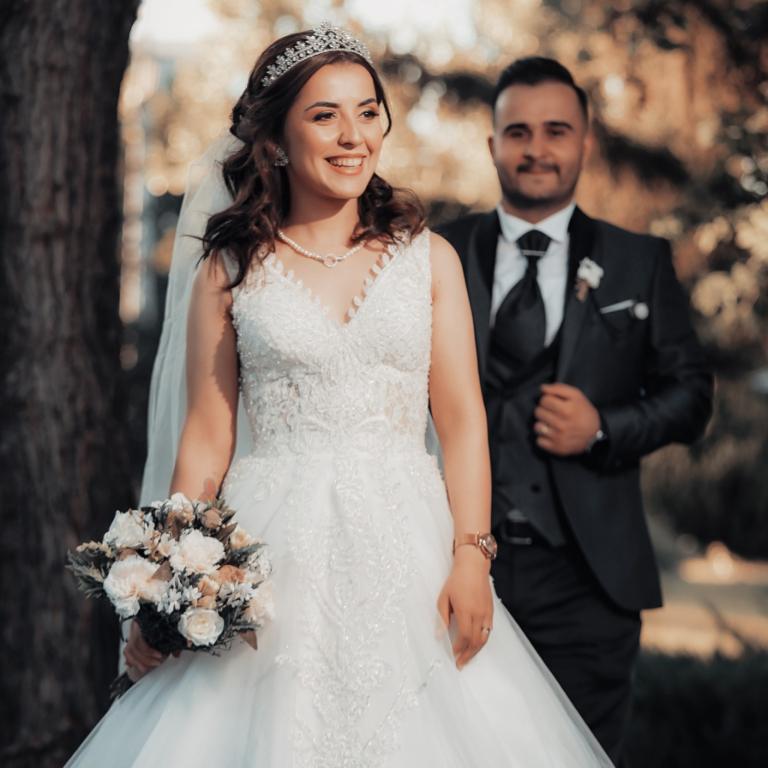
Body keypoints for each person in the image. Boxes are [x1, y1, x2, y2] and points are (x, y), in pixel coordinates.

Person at [65, 27, 613, 767]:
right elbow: (205, 439)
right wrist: (172, 583)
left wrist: (473, 557)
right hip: (270, 552)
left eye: (369, 111)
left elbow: (461, 423)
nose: (354, 135)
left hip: (409, 548)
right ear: (278, 141)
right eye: (325, 116)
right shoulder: (228, 271)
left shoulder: (429, 258)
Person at [436, 56, 713, 765]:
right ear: (492, 143)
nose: (536, 148)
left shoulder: (637, 261)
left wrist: (606, 427)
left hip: (588, 582)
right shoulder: (437, 252)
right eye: (517, 131)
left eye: (556, 130)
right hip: (448, 567)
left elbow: (691, 396)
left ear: (585, 142)